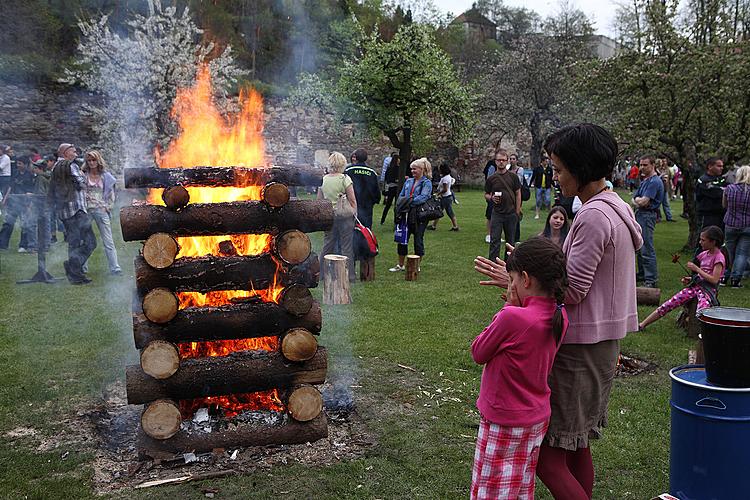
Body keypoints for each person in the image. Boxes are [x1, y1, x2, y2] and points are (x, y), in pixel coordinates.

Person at [475, 123, 642, 500]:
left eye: (559, 170)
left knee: (549, 458)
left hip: (581, 350)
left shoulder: (594, 216)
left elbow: (574, 290)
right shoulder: (615, 206)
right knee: (577, 444)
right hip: (600, 345)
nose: (554, 177)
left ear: (580, 169)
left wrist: (519, 285)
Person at [470, 237, 569, 500]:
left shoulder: (513, 317)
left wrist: (509, 306)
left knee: (492, 491)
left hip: (504, 420)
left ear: (525, 279)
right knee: (519, 487)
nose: (510, 285)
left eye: (512, 279)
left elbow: (478, 352)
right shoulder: (560, 315)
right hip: (536, 419)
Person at [639, 226, 725, 330]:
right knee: (669, 304)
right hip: (695, 288)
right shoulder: (703, 255)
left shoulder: (719, 258)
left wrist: (697, 269)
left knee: (702, 312)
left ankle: (705, 335)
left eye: (703, 240)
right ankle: (642, 324)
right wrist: (691, 278)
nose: (700, 242)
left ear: (713, 242)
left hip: (708, 292)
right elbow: (702, 275)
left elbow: (714, 280)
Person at [48, 143, 97, 285]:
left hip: (65, 212)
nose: (76, 153)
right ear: (65, 153)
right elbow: (82, 183)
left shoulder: (56, 167)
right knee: (90, 242)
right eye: (73, 151)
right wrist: (83, 175)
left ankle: (75, 273)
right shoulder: (70, 165)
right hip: (76, 211)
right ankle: (73, 267)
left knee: (74, 243)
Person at [318, 152, 357, 281]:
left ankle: (320, 273)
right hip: (345, 217)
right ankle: (348, 275)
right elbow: (352, 200)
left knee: (327, 246)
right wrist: (354, 213)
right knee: (346, 247)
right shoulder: (345, 179)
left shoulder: (323, 180)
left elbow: (319, 200)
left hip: (329, 216)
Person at [82, 150, 122, 275]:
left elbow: (111, 194)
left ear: (98, 160)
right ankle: (82, 267)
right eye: (89, 160)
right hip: (86, 210)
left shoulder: (106, 176)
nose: (91, 163)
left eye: (93, 160)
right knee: (84, 239)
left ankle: (115, 267)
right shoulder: (83, 175)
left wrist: (108, 207)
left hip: (101, 210)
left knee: (108, 240)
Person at [389, 158, 432, 272]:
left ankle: (416, 265)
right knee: (402, 239)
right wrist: (406, 201)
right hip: (405, 214)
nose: (412, 171)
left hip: (419, 215)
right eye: (411, 169)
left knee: (418, 240)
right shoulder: (408, 182)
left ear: (421, 169)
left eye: (415, 169)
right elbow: (401, 196)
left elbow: (423, 198)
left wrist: (407, 201)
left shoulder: (426, 183)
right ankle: (400, 264)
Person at [345, 148, 380, 280]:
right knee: (366, 234)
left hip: (351, 208)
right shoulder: (372, 172)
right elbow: (377, 193)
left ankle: (352, 264)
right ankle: (365, 265)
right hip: (367, 208)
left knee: (351, 235)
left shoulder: (348, 171)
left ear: (355, 157)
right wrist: (374, 200)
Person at [633, 155, 664, 288]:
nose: (642, 167)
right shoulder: (646, 180)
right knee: (639, 246)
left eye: (645, 165)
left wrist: (637, 201)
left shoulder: (654, 182)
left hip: (647, 215)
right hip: (641, 214)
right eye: (641, 165)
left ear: (653, 165)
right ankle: (642, 274)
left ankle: (651, 279)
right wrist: (637, 200)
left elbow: (644, 201)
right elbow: (635, 198)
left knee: (646, 248)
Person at [485, 149, 521, 261]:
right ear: (495, 161)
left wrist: (517, 210)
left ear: (507, 161)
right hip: (497, 213)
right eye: (499, 160)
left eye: (503, 160)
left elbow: (518, 193)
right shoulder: (491, 178)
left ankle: (508, 264)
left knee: (510, 241)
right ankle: (493, 264)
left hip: (511, 213)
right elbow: (486, 194)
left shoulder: (513, 177)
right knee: (495, 240)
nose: (501, 162)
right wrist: (491, 198)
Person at [0, 156, 37, 252]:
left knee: (24, 224)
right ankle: (2, 244)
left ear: (25, 164)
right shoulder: (15, 173)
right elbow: (10, 187)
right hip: (13, 203)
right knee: (8, 223)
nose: (18, 165)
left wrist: (30, 204)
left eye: (20, 163)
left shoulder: (30, 175)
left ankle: (23, 245)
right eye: (17, 163)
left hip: (24, 203)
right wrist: (5, 199)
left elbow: (32, 191)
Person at [723, 165, 750, 287]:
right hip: (747, 224)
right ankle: (736, 279)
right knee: (742, 253)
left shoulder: (729, 188)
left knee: (729, 252)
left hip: (731, 223)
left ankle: (724, 276)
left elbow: (724, 205)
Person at [696, 157, 727, 231]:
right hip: (708, 215)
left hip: (721, 214)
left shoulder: (721, 179)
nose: (721, 168)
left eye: (722, 166)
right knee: (707, 236)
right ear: (710, 167)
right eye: (719, 166)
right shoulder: (703, 180)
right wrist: (723, 190)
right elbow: (715, 192)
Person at [428, 162, 459, 231]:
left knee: (448, 212)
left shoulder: (445, 179)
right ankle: (433, 225)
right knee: (439, 211)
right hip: (447, 197)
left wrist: (438, 193)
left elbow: (445, 189)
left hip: (445, 198)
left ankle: (455, 226)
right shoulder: (448, 177)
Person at [483, 152, 503, 243]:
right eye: (499, 159)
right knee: (490, 215)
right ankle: (489, 234)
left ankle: (498, 234)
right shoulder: (491, 166)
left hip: (501, 194)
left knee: (500, 215)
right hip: (492, 194)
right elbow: (489, 180)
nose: (501, 161)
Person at [509, 152, 525, 243]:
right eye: (510, 159)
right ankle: (510, 234)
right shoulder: (508, 169)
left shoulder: (520, 170)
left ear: (517, 160)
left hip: (517, 194)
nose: (512, 160)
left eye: (513, 159)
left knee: (517, 213)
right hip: (509, 195)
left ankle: (517, 237)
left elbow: (519, 182)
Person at [380, 153, 400, 225]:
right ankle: (395, 220)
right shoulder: (397, 169)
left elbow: (387, 179)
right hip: (395, 187)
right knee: (395, 205)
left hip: (390, 187)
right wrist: (397, 180)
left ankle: (383, 219)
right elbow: (390, 178)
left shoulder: (389, 168)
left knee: (388, 205)